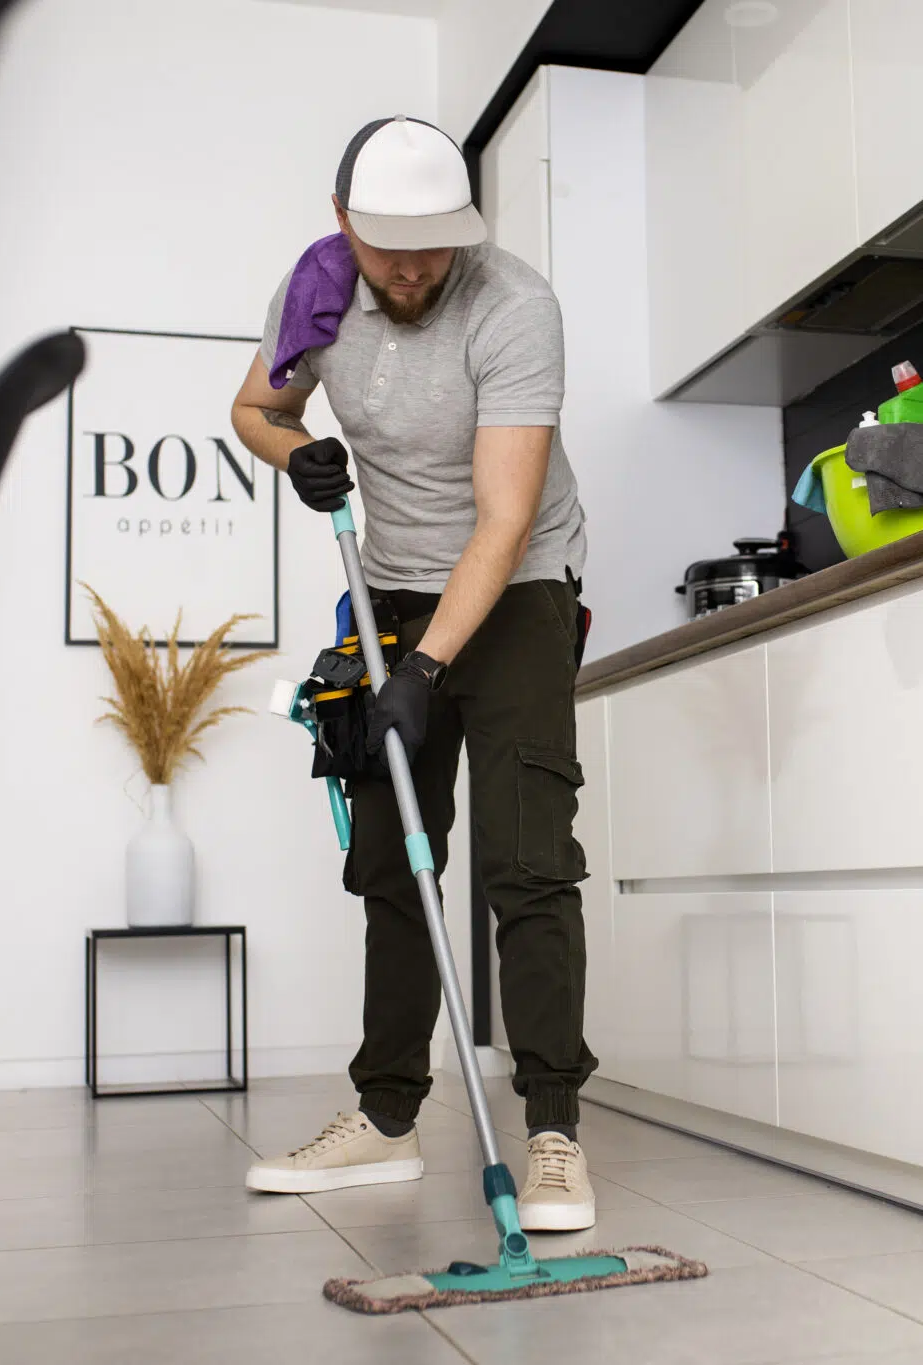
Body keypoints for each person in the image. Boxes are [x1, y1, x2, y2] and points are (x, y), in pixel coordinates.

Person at [228, 115, 597, 1231]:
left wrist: (426, 671)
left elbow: (505, 517)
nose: (411, 269)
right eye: (388, 247)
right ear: (344, 223)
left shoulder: (513, 306)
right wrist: (298, 451)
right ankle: (386, 1120)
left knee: (527, 860)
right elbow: (253, 408)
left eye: (433, 247)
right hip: (388, 595)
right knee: (392, 862)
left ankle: (552, 1133)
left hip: (518, 591)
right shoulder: (315, 292)